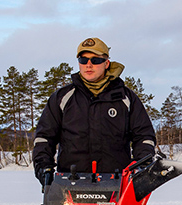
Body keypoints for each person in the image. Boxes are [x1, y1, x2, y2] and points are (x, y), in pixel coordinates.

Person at [33, 37, 157, 184]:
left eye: (95, 60)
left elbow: (144, 136)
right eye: (83, 60)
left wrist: (142, 165)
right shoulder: (62, 98)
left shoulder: (126, 98)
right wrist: (43, 167)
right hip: (71, 183)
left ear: (106, 63)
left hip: (118, 184)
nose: (88, 65)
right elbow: (44, 137)